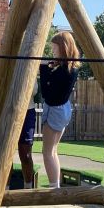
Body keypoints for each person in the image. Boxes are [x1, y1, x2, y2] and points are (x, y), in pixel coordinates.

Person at [40, 31, 80, 188]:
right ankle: (55, 186)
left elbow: (46, 93)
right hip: (62, 109)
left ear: (63, 48)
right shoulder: (70, 67)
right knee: (53, 151)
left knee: (47, 152)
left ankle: (53, 188)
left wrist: (43, 69)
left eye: (55, 48)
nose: (53, 51)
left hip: (55, 110)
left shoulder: (63, 70)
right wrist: (50, 67)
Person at [18, 80, 39, 189]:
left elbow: (34, 90)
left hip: (27, 111)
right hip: (7, 110)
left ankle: (28, 188)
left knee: (26, 154)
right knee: (4, 154)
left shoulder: (28, 69)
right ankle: (5, 190)